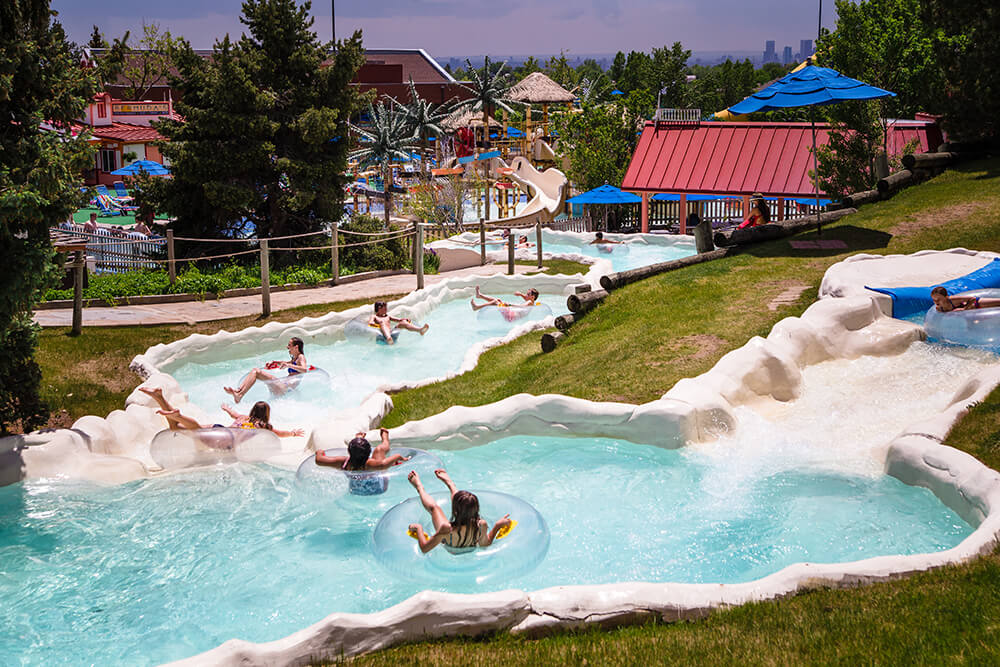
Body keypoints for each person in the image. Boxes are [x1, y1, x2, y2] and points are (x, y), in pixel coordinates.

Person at [407, 469, 512, 554]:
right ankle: (450, 484)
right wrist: (497, 525)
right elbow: (485, 544)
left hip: (449, 542)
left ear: (454, 511)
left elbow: (425, 549)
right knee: (463, 503)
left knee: (435, 508)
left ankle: (420, 487)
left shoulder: (446, 528)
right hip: (465, 536)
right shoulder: (481, 525)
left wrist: (419, 529)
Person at [139, 386, 304, 437]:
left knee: (175, 428)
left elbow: (233, 414)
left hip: (221, 428)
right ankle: (178, 415)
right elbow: (279, 433)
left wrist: (227, 409)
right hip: (225, 438)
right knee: (194, 428)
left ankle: (160, 398)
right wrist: (293, 433)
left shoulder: (244, 417)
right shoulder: (262, 426)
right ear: (266, 415)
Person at [224, 337, 310, 403]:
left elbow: (304, 369)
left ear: (296, 347)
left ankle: (239, 394)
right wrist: (275, 363)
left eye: (289, 345)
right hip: (283, 387)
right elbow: (287, 363)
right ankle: (238, 391)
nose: (287, 347)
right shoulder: (294, 359)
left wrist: (288, 365)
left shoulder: (301, 357)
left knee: (256, 371)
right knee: (255, 371)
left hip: (285, 388)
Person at [314, 428, 411, 470]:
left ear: (349, 451)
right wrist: (402, 458)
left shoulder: (343, 462)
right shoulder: (371, 464)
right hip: (378, 489)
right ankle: (385, 439)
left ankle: (359, 439)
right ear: (369, 452)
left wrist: (320, 452)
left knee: (361, 450)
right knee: (379, 449)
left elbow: (319, 460)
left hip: (356, 492)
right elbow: (387, 462)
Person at [931, 286, 1000, 312]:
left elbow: (973, 299)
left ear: (946, 297)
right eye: (934, 299)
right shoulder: (939, 309)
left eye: (938, 299)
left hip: (977, 304)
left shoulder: (953, 300)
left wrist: (965, 309)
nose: (936, 301)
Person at [470, 285, 539, 311]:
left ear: (532, 297)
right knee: (498, 300)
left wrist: (510, 305)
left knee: (495, 302)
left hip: (512, 317)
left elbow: (522, 306)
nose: (525, 295)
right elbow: (526, 299)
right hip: (512, 315)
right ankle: (480, 295)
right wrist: (521, 294)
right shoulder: (531, 301)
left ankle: (476, 307)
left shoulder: (529, 302)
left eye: (528, 294)